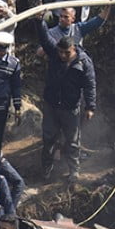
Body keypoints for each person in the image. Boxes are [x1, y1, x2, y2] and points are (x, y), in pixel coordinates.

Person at [33, 27, 97, 181]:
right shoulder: (54, 54)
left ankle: (74, 171)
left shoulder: (84, 62)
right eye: (60, 52)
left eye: (66, 53)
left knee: (72, 141)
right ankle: (46, 171)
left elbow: (90, 84)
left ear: (73, 49)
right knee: (48, 139)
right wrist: (39, 22)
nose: (63, 55)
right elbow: (45, 39)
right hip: (51, 105)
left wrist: (90, 106)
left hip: (71, 108)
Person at [45, 6, 109, 50]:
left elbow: (97, 21)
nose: (62, 19)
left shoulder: (78, 28)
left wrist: (108, 6)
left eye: (66, 17)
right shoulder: (51, 32)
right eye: (61, 16)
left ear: (73, 19)